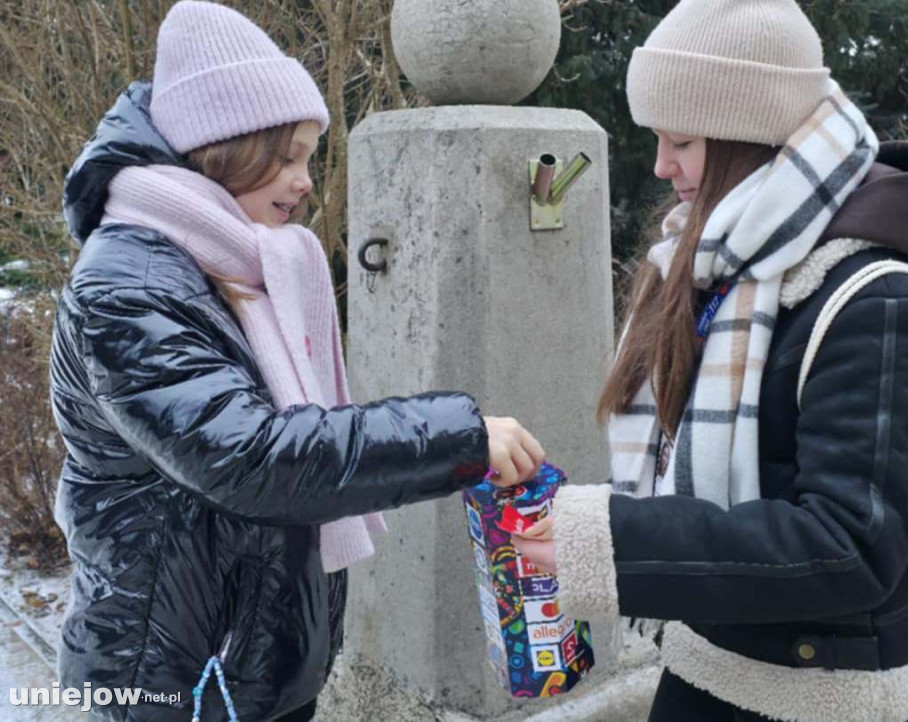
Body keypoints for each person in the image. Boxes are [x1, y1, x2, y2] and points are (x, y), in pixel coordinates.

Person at [52, 2, 544, 720]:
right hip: (169, 680)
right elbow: (252, 457)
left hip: (253, 668)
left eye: (309, 155)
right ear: (221, 148)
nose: (307, 180)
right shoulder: (127, 285)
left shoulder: (238, 263)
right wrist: (460, 437)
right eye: (284, 156)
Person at [512, 1, 908, 720]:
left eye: (682, 142)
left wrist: (610, 540)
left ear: (750, 139)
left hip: (832, 698)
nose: (663, 166)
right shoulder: (717, 272)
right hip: (712, 666)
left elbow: (849, 545)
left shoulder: (879, 306)